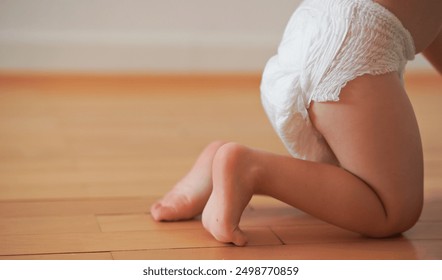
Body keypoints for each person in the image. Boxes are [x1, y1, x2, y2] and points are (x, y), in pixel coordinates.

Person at [151, 0, 442, 246]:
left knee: (346, 183)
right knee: (391, 210)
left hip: (310, 29)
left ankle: (219, 162)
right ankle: (251, 168)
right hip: (355, 46)